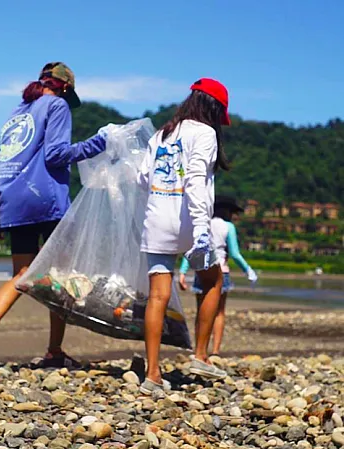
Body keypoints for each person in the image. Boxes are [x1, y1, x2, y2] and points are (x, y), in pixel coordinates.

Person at [0, 62, 108, 374]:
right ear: (66, 87)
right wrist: (99, 144)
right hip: (44, 198)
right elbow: (56, 155)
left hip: (13, 200)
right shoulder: (57, 105)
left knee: (21, 273)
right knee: (60, 274)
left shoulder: (16, 114)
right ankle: (54, 350)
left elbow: (8, 163)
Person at [137, 78, 232, 394]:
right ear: (214, 108)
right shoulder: (205, 133)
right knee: (213, 282)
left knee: (158, 296)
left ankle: (152, 374)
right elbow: (193, 180)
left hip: (158, 221)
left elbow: (141, 177)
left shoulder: (162, 133)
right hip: (191, 225)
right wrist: (202, 230)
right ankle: (201, 355)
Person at [179, 195, 258, 356]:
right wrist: (248, 270)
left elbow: (192, 249)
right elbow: (235, 254)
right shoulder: (228, 227)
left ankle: (199, 349)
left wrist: (182, 271)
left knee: (201, 310)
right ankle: (215, 351)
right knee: (219, 312)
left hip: (201, 269)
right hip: (221, 270)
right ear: (228, 212)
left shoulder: (203, 224)